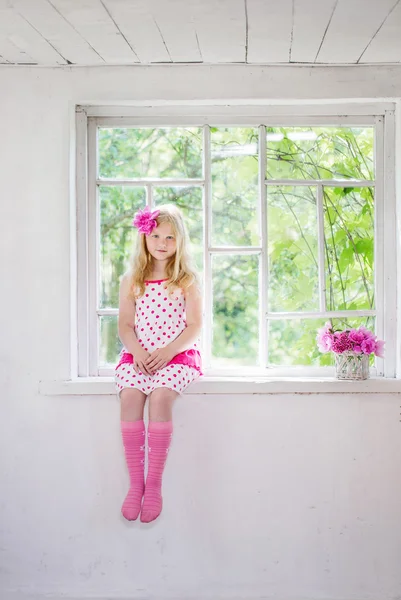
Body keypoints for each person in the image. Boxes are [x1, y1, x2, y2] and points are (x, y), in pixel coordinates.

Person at [115, 204, 203, 523]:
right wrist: (138, 351)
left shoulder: (186, 279)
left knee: (161, 397)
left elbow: (194, 325)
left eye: (170, 237)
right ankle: (135, 483)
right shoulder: (132, 279)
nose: (162, 243)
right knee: (130, 397)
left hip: (175, 354)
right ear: (144, 238)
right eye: (155, 236)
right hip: (139, 353)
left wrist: (167, 351)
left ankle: (154, 484)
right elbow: (125, 325)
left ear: (180, 242)